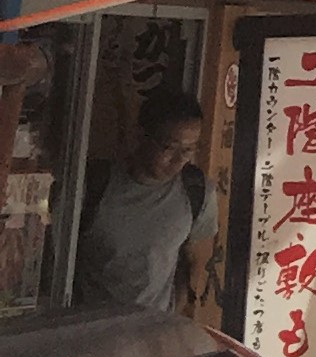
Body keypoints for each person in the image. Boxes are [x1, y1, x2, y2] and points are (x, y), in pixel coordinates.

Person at [74, 94, 212, 315]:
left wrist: (170, 317)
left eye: (188, 150)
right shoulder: (94, 186)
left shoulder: (196, 190)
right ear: (140, 136)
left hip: (153, 333)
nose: (178, 160)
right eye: (169, 147)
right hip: (89, 329)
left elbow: (195, 265)